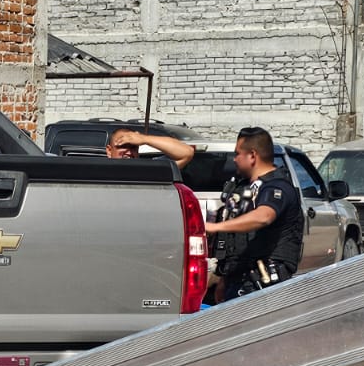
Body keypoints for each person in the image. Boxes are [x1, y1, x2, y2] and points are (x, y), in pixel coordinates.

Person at [203, 126, 303, 301]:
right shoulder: (245, 189)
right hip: (239, 279)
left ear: (252, 156)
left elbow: (264, 217)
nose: (234, 159)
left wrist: (215, 226)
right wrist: (224, 278)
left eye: (237, 154)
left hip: (263, 285)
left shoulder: (278, 187)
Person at [105, 126, 195, 168]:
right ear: (109, 150)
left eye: (133, 147)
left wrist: (145, 139)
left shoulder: (149, 169)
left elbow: (187, 153)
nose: (129, 152)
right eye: (123, 146)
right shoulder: (99, 170)